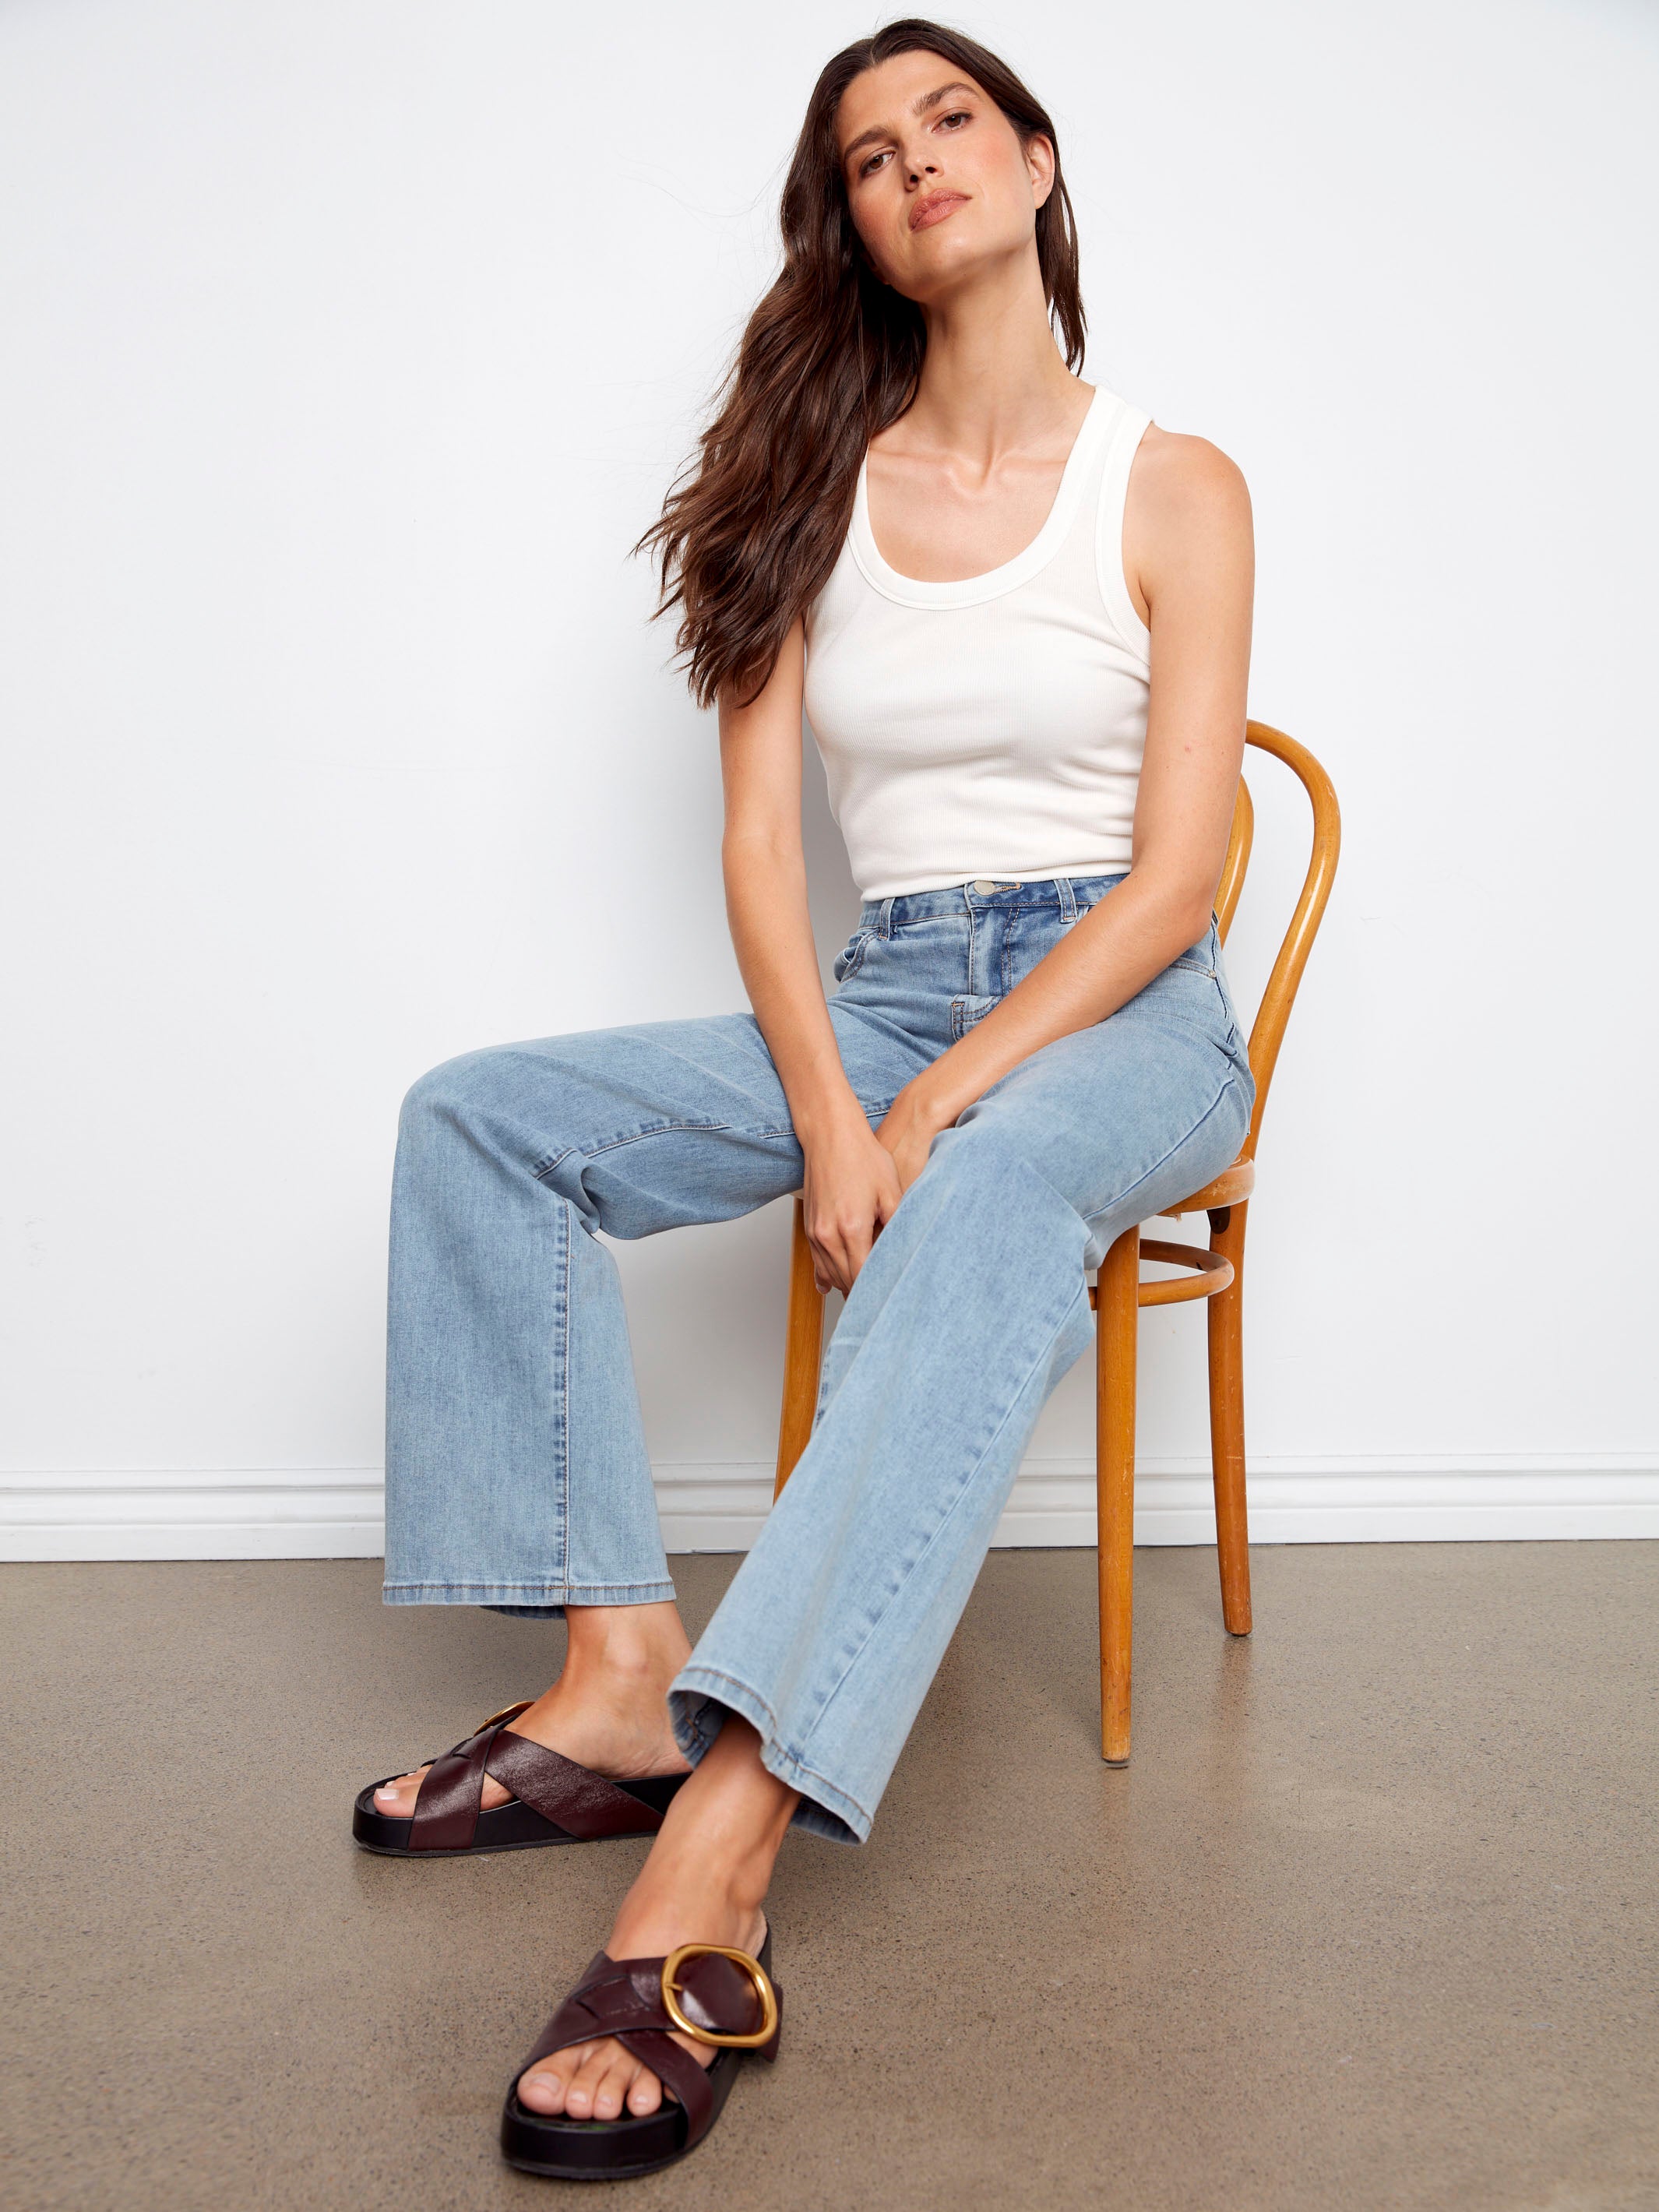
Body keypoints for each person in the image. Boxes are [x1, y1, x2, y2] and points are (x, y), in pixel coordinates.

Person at [352, 18, 1256, 2182]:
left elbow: (1177, 879)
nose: (916, 160)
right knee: (480, 1117)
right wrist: (846, 1108)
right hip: (877, 994)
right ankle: (615, 1679)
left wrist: (933, 1113)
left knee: (990, 1183)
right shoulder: (804, 493)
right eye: (868, 151)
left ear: (1035, 161)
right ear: (847, 220)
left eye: (951, 119)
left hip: (1120, 1012)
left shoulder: (1174, 484)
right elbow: (765, 854)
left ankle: (721, 1848)